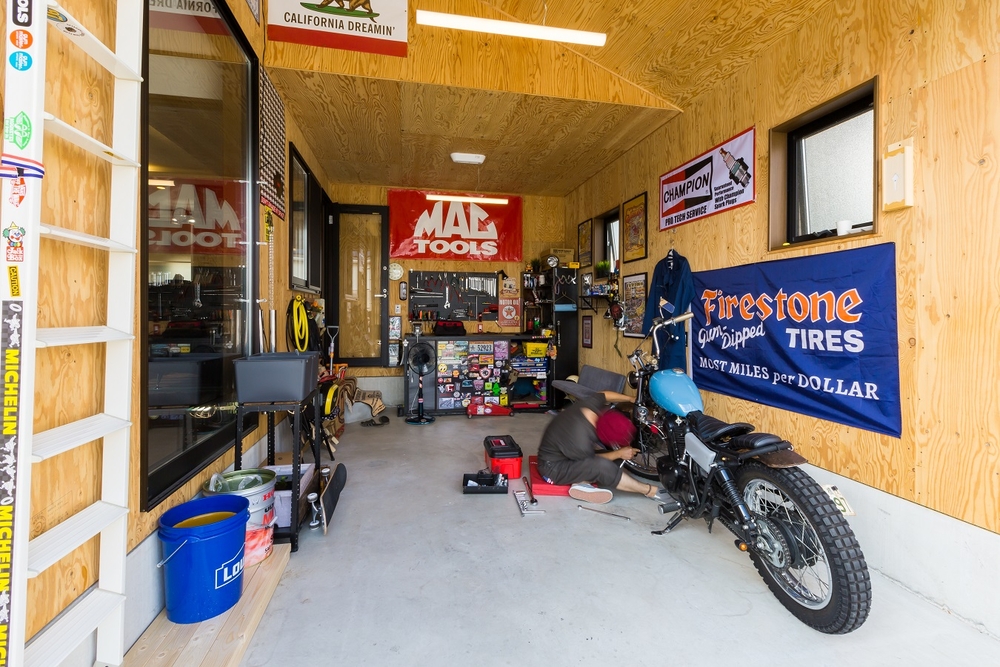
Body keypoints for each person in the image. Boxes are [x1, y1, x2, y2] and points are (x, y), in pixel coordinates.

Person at [536, 391, 662, 504]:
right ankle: (649, 491)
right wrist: (619, 453)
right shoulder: (580, 440)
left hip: (564, 451)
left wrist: (630, 398)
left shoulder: (591, 407)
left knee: (616, 460)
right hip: (552, 468)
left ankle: (582, 479)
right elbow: (593, 460)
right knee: (603, 466)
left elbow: (604, 394)